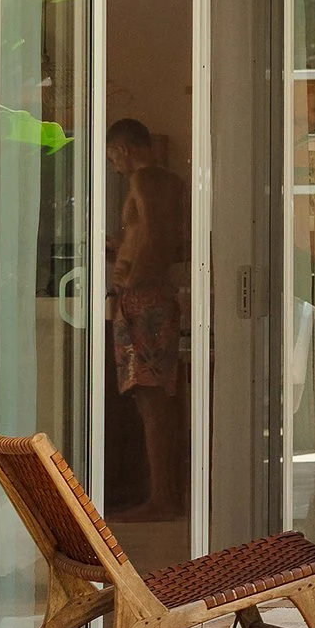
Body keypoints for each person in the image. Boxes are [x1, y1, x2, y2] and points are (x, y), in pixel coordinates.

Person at [105, 117, 188, 522]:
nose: (113, 166)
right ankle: (163, 493)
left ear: (122, 149)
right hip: (154, 294)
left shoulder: (144, 180)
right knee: (154, 399)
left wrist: (128, 284)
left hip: (145, 299)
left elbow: (154, 237)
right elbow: (155, 237)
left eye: (112, 158)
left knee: (151, 399)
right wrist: (120, 249)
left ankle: (162, 497)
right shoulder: (171, 182)